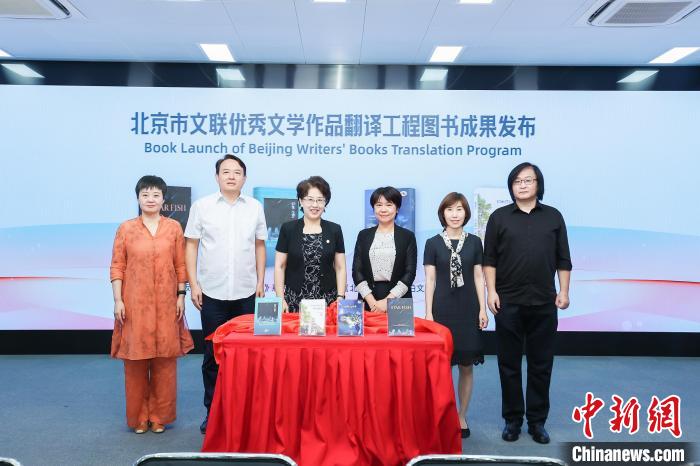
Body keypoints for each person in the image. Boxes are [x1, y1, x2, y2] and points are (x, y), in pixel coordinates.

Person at [483, 162, 572, 444]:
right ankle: (512, 420)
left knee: (541, 364)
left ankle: (537, 422)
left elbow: (563, 258)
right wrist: (491, 292)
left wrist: (564, 291)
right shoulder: (499, 218)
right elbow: (489, 260)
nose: (522, 185)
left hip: (544, 301)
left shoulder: (554, 217)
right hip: (507, 302)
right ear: (511, 186)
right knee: (508, 364)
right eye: (517, 181)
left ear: (538, 184)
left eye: (528, 180)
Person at [184, 155, 267, 434]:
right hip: (212, 292)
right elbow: (191, 246)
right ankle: (213, 412)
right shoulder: (202, 206)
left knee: (247, 356)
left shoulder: (254, 207)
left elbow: (259, 246)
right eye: (226, 172)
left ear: (245, 178)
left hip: (246, 292)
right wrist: (193, 284)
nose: (231, 176)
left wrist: (260, 281)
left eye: (237, 172)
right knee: (212, 356)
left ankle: (245, 414)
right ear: (217, 176)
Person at [110, 175, 194, 434]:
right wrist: (118, 300)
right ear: (138, 198)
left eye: (156, 195)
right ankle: (139, 417)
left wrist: (181, 295)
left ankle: (159, 416)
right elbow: (117, 266)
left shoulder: (173, 228)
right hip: (134, 305)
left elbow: (181, 265)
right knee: (135, 363)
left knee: (165, 363)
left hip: (168, 304)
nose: (150, 199)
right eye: (145, 194)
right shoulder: (126, 229)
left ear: (163, 199)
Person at [424, 192, 487, 439]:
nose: (454, 214)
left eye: (459, 209)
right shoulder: (432, 243)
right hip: (442, 309)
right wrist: (428, 313)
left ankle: (461, 415)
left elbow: (479, 276)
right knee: (442, 368)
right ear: (443, 213)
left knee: (466, 365)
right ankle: (442, 415)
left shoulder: (475, 242)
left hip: (468, 308)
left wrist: (482, 308)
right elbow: (430, 280)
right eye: (449, 209)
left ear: (466, 213)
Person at [274, 176, 346, 312]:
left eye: (320, 200)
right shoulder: (288, 229)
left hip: (327, 300)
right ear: (301, 201)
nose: (315, 205)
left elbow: (340, 267)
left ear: (325, 203)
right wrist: (280, 298)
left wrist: (340, 297)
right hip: (294, 299)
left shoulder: (334, 230)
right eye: (310, 199)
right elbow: (280, 266)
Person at [352, 187, 417, 312]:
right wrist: (372, 303)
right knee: (368, 326)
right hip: (368, 300)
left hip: (399, 300)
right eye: (379, 205)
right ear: (373, 208)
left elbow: (409, 273)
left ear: (397, 208)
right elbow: (357, 271)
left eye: (389, 205)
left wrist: (388, 301)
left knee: (399, 326)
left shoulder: (407, 236)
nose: (383, 209)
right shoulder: (363, 235)